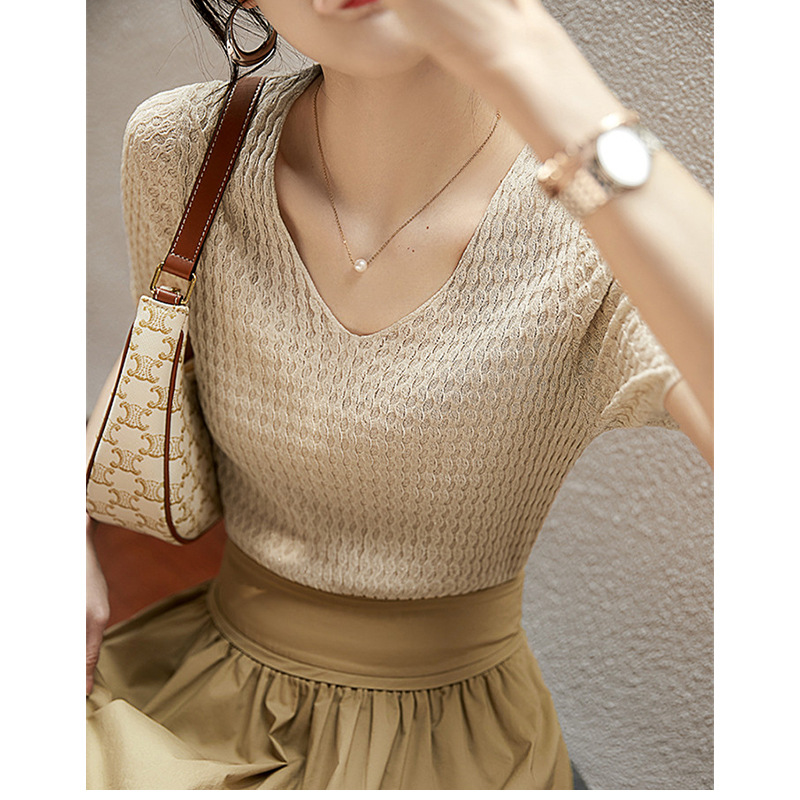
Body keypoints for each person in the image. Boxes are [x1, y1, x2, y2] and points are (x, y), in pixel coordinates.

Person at [86, 0, 713, 790]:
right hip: (201, 701)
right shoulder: (184, 147)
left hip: (454, 743)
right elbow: (161, 359)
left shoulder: (605, 225)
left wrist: (536, 61)